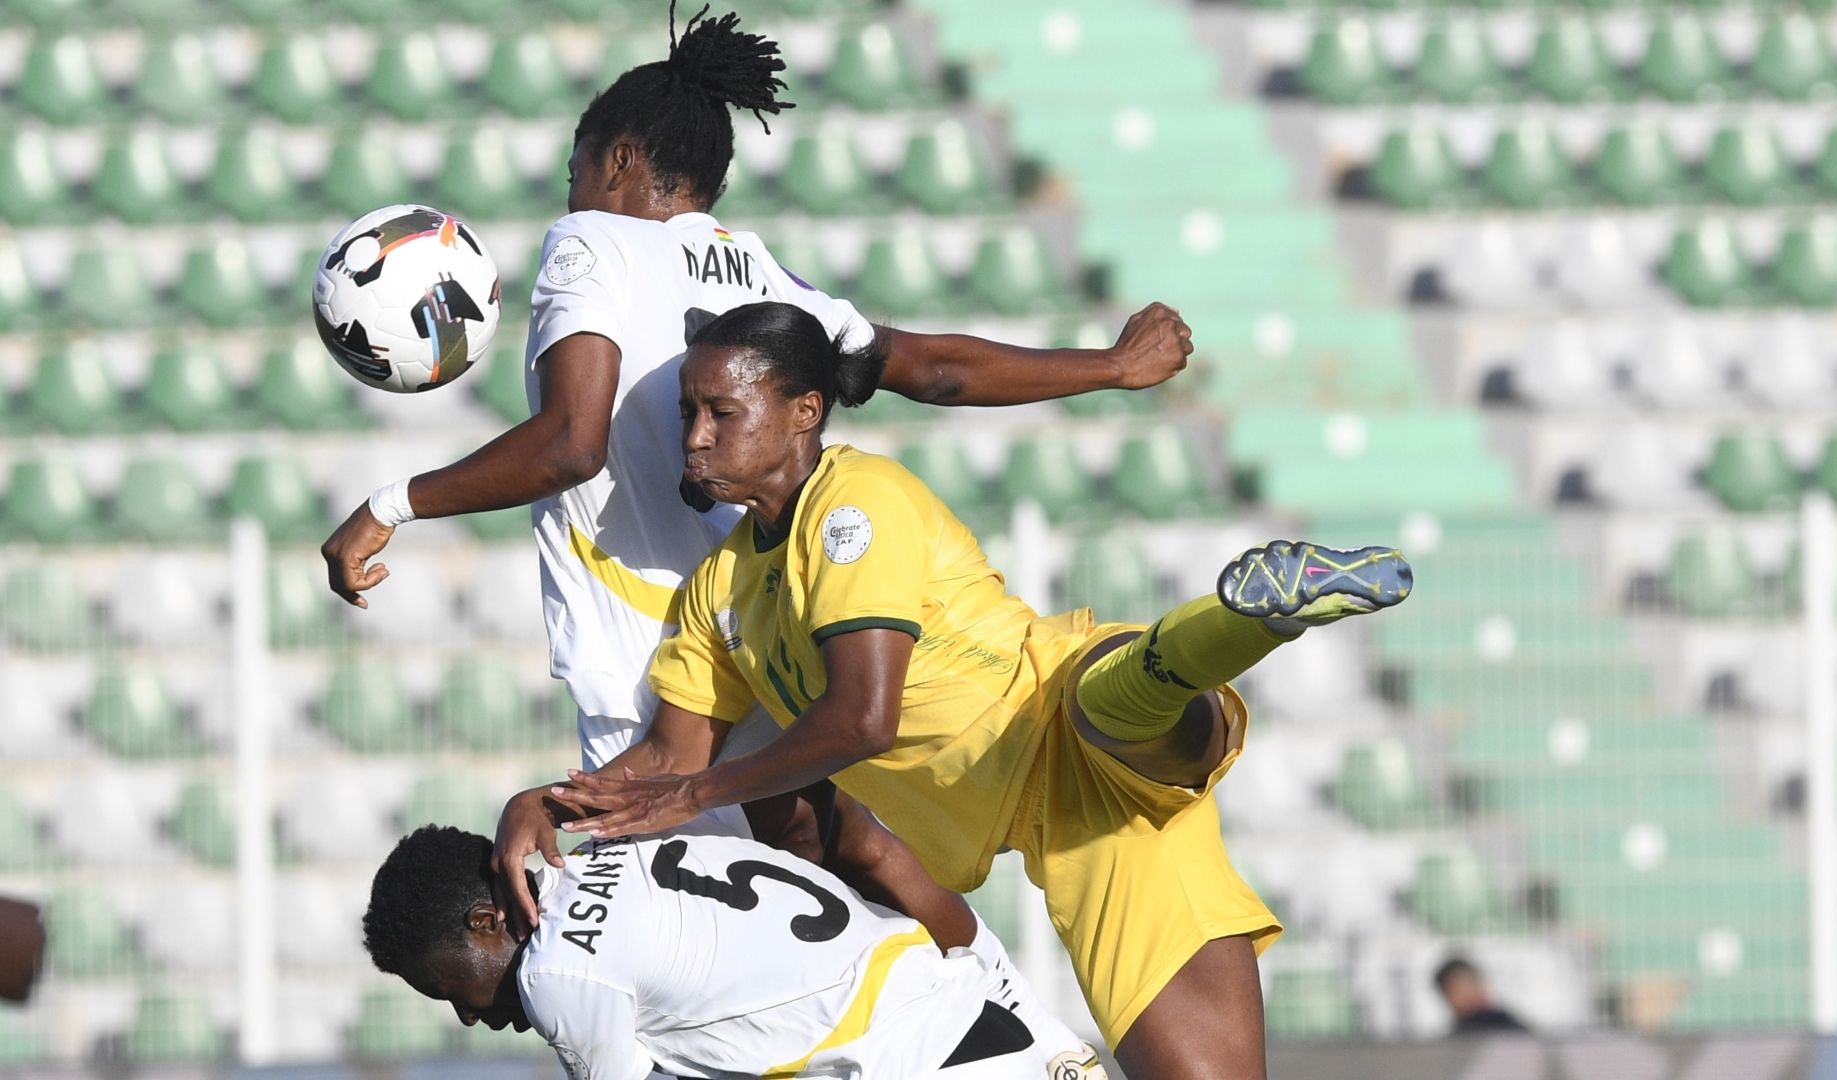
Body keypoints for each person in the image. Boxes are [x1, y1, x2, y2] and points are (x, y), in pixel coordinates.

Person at [320, 6, 1182, 1064]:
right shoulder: (760, 273)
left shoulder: (590, 244)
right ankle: (1026, 1039)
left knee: (720, 996)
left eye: (578, 169)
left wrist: (390, 502)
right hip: (764, 647)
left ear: (620, 160)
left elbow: (570, 445)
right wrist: (1105, 366)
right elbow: (929, 368)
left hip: (654, 669)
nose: (572, 194)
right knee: (837, 892)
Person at [540, 302, 1414, 1079]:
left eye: (719, 412)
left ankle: (1252, 617)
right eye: (688, 412)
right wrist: (545, 808)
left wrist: (693, 792)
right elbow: (663, 758)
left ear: (803, 412)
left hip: (1053, 707)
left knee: (1107, 709)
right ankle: (1237, 626)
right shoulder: (718, 593)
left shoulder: (853, 504)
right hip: (1076, 833)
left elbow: (862, 718)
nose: (692, 436)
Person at [363, 824, 1101, 1078]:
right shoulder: (618, 850)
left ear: (489, 921)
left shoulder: (559, 971)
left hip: (915, 1060)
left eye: (451, 988)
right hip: (978, 1008)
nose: (466, 1015)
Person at [1433, 956, 1529, 1036]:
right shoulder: (1457, 1034)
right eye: (1454, 992)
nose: (1466, 996)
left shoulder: (1506, 1026)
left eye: (1464, 988)